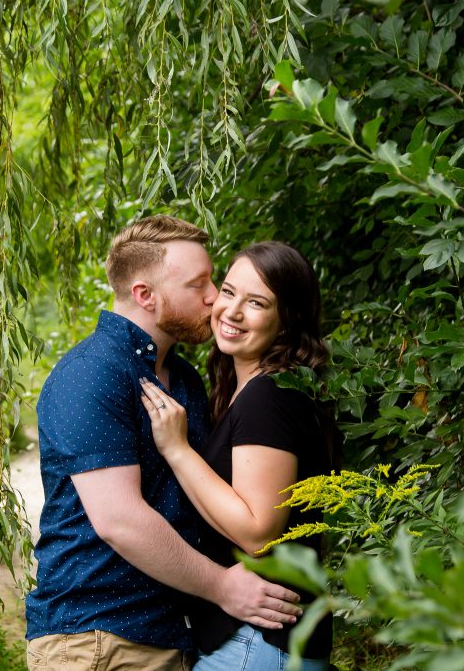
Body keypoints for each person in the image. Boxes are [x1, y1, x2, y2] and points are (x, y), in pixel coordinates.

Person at [25, 217, 303, 671]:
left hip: (170, 637)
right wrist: (223, 587)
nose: (214, 296)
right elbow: (119, 519)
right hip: (97, 640)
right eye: (198, 284)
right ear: (144, 295)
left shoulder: (186, 380)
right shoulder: (91, 373)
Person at [140, 241, 337, 670]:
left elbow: (257, 531)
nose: (231, 311)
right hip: (261, 641)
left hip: (256, 641)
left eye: (257, 303)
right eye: (228, 292)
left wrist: (177, 450)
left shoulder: (270, 396)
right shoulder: (255, 390)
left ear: (287, 320)